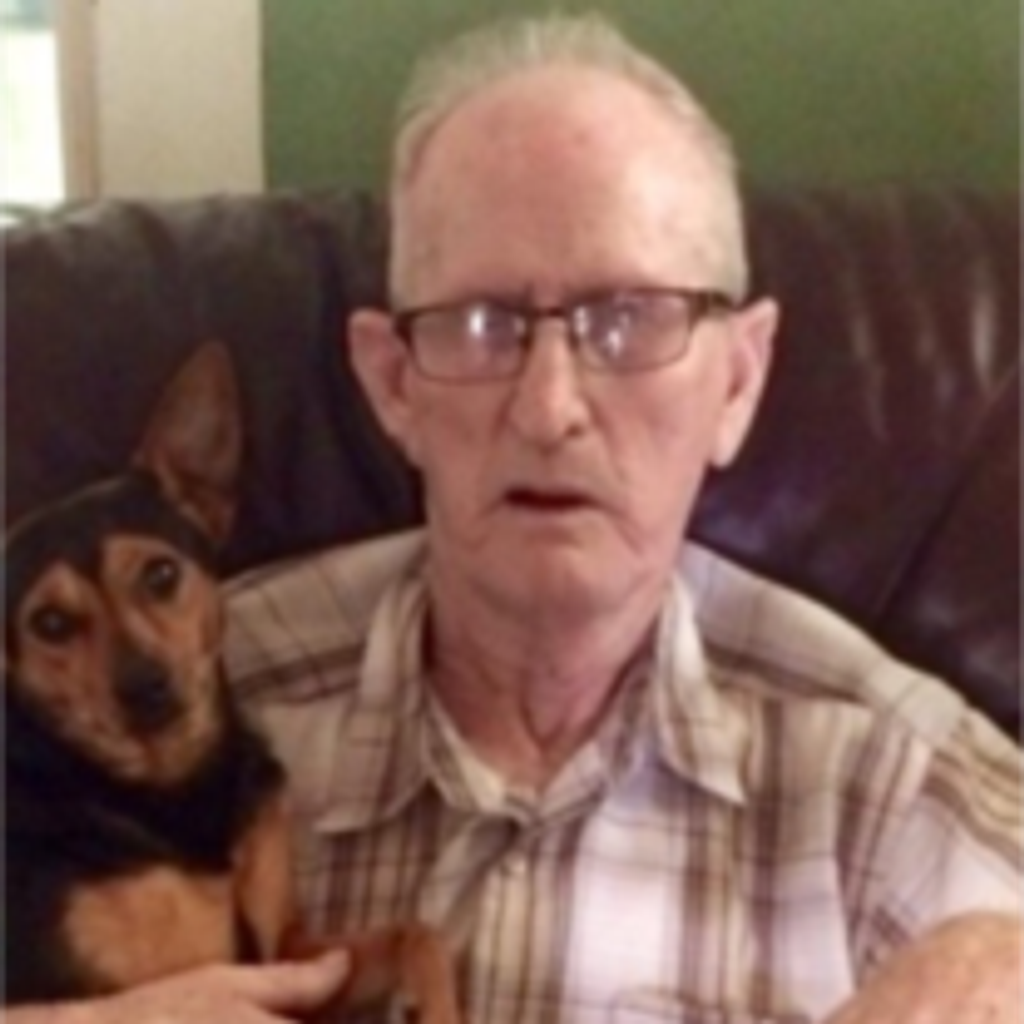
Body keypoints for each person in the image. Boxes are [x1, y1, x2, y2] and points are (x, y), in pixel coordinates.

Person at [4, 12, 1022, 1024]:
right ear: (392, 383)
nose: (548, 408)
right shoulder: (191, 697)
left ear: (737, 381)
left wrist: (989, 963)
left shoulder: (886, 779)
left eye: (629, 319)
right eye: (481, 324)